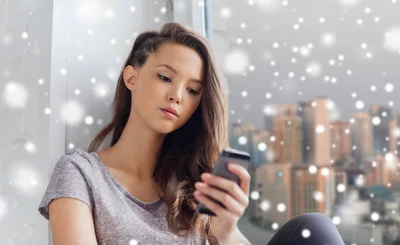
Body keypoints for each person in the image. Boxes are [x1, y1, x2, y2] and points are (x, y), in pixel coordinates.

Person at [37, 22, 345, 245]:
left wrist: (226, 233)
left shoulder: (195, 185)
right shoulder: (80, 174)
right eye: (165, 77)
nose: (177, 95)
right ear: (131, 76)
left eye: (192, 90)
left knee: (314, 228)